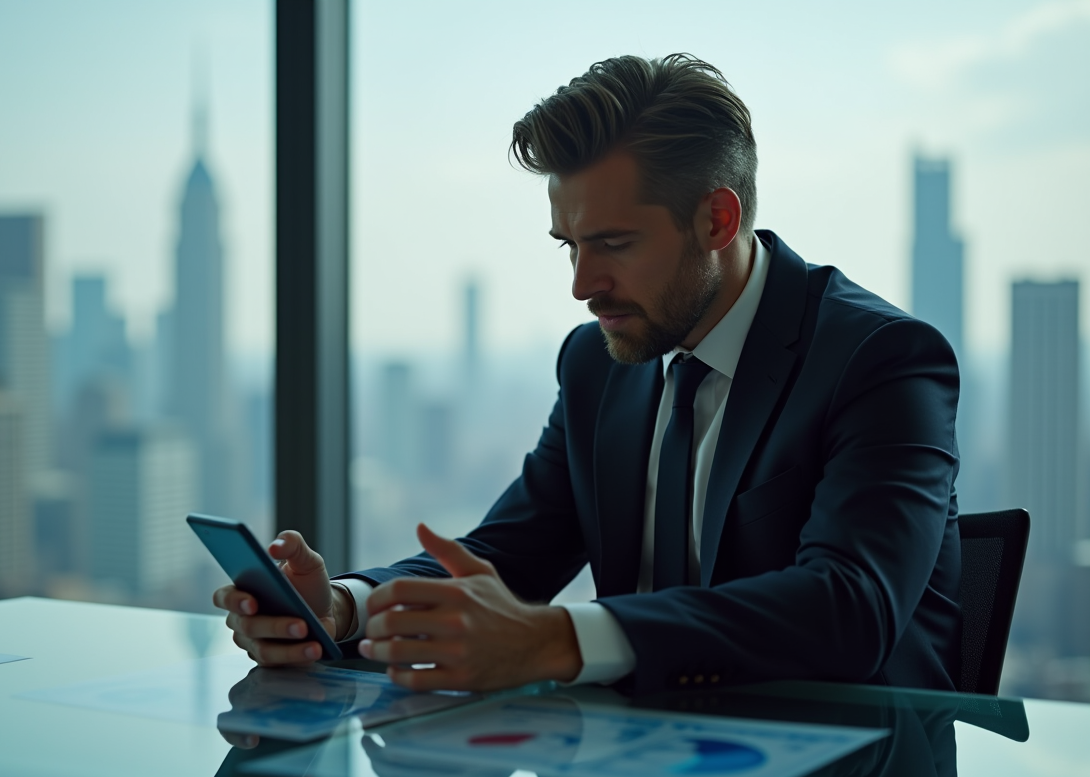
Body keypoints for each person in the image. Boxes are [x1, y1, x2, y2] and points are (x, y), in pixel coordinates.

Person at [213, 54, 961, 696]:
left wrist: (559, 641)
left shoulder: (882, 361)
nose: (581, 283)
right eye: (567, 245)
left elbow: (848, 608)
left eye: (612, 243)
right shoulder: (597, 363)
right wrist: (343, 608)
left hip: (849, 768)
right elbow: (511, 555)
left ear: (717, 222)